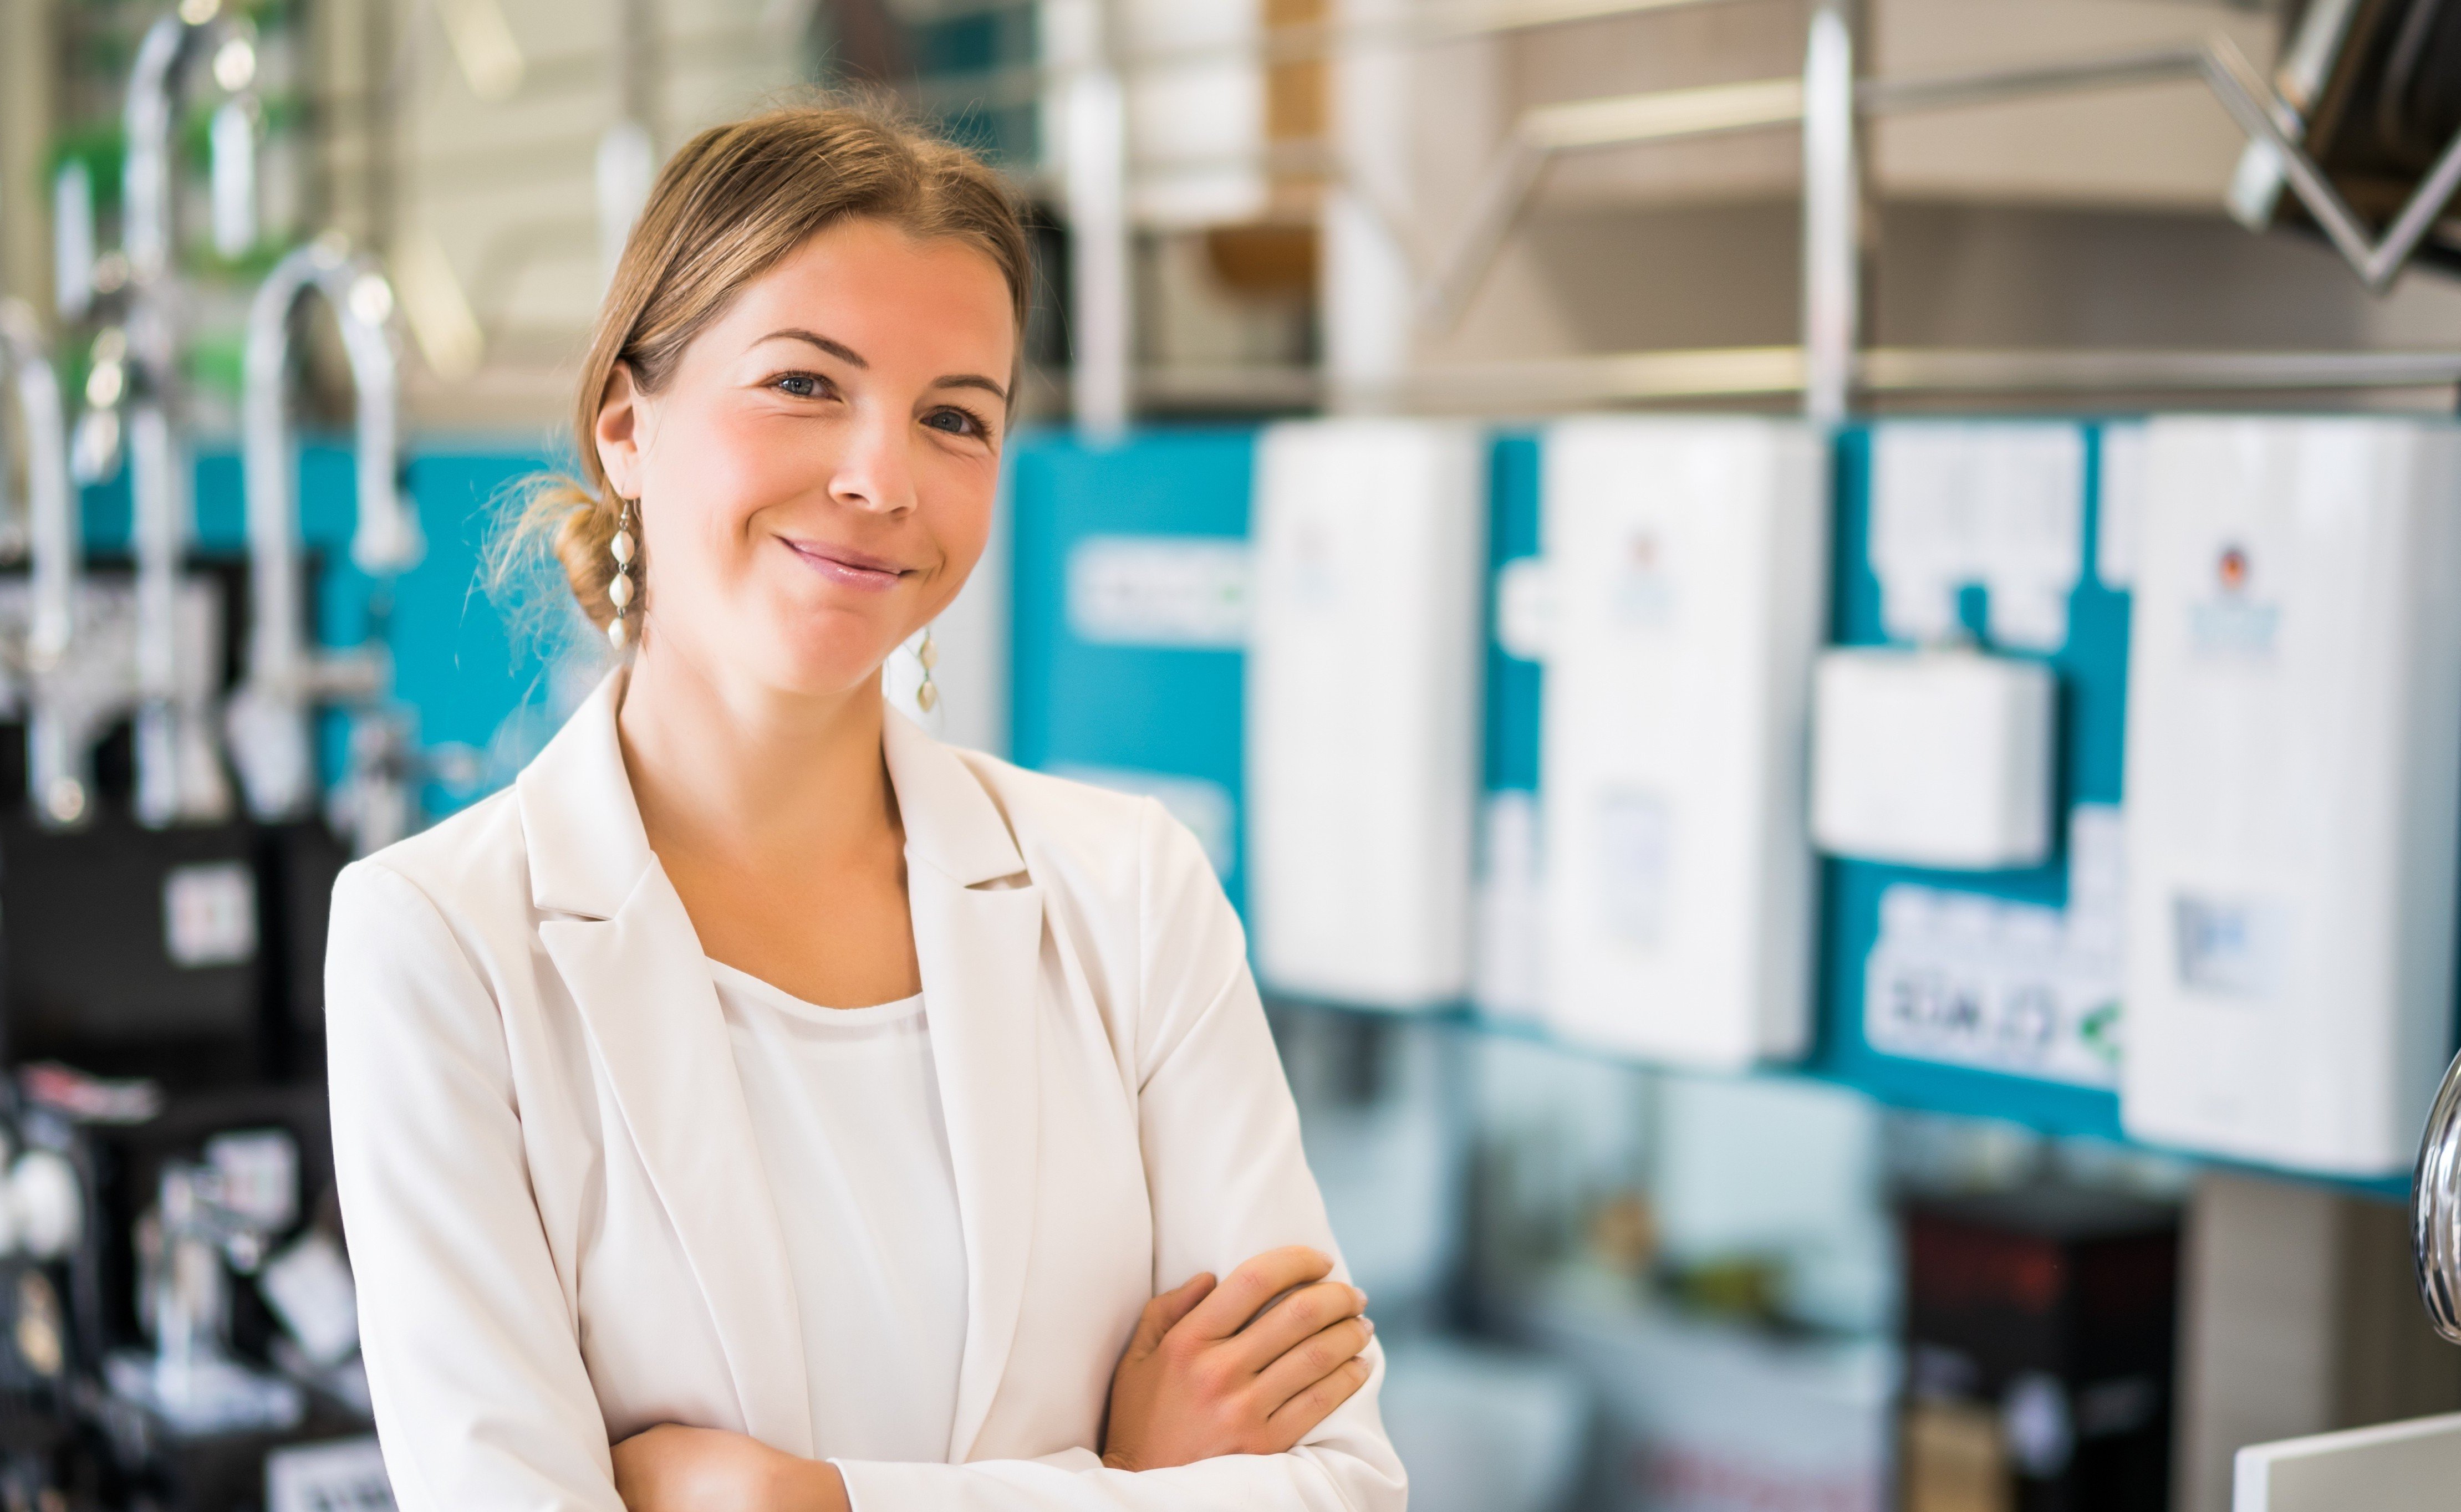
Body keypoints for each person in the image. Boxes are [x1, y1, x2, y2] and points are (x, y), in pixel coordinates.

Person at [324, 103, 1405, 1511]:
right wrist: (1121, 1482)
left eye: (956, 417)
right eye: (804, 383)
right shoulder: (438, 944)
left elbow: (1340, 1485)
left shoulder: (1132, 893)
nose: (881, 478)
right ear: (628, 426)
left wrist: (795, 1501)